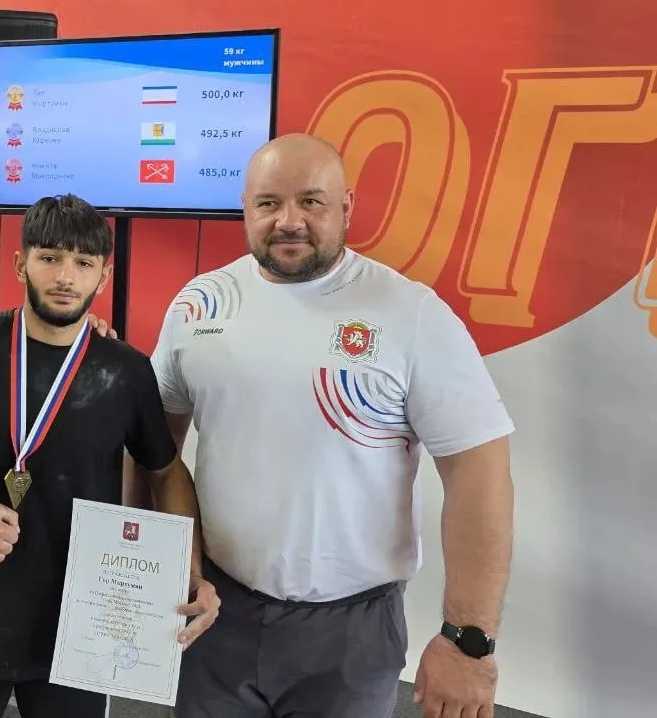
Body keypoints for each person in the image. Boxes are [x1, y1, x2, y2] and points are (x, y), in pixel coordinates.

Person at [148, 133, 515, 718]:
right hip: (217, 613)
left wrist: (468, 639)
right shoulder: (199, 304)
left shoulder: (411, 313)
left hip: (350, 632)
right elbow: (153, 453)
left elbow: (479, 472)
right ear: (245, 208)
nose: (289, 221)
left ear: (347, 207)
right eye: (269, 203)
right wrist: (162, 570)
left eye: (311, 201)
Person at [0, 194, 221, 718]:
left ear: (103, 277)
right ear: (20, 263)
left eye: (83, 263)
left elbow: (165, 469)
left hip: (85, 619)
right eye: (49, 258)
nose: (66, 276)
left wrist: (188, 568)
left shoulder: (126, 370)